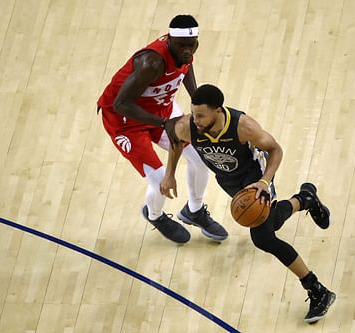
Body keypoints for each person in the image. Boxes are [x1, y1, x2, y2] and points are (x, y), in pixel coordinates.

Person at [160, 84, 336, 323]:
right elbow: (175, 141)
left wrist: (264, 182)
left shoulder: (243, 126)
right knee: (267, 222)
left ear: (218, 111)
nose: (196, 120)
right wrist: (169, 174)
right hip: (228, 180)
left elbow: (275, 150)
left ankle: (317, 290)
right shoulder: (187, 126)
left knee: (263, 237)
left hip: (255, 178)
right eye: (194, 113)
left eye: (201, 115)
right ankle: (304, 199)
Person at [97, 15, 227, 244]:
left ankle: (194, 210)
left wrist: (195, 98)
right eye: (181, 46)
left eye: (192, 44)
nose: (187, 51)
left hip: (160, 111)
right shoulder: (152, 63)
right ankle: (154, 215)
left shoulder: (185, 50)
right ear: (169, 40)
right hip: (125, 122)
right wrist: (163, 124)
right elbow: (121, 104)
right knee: (159, 180)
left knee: (201, 157)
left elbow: (185, 68)